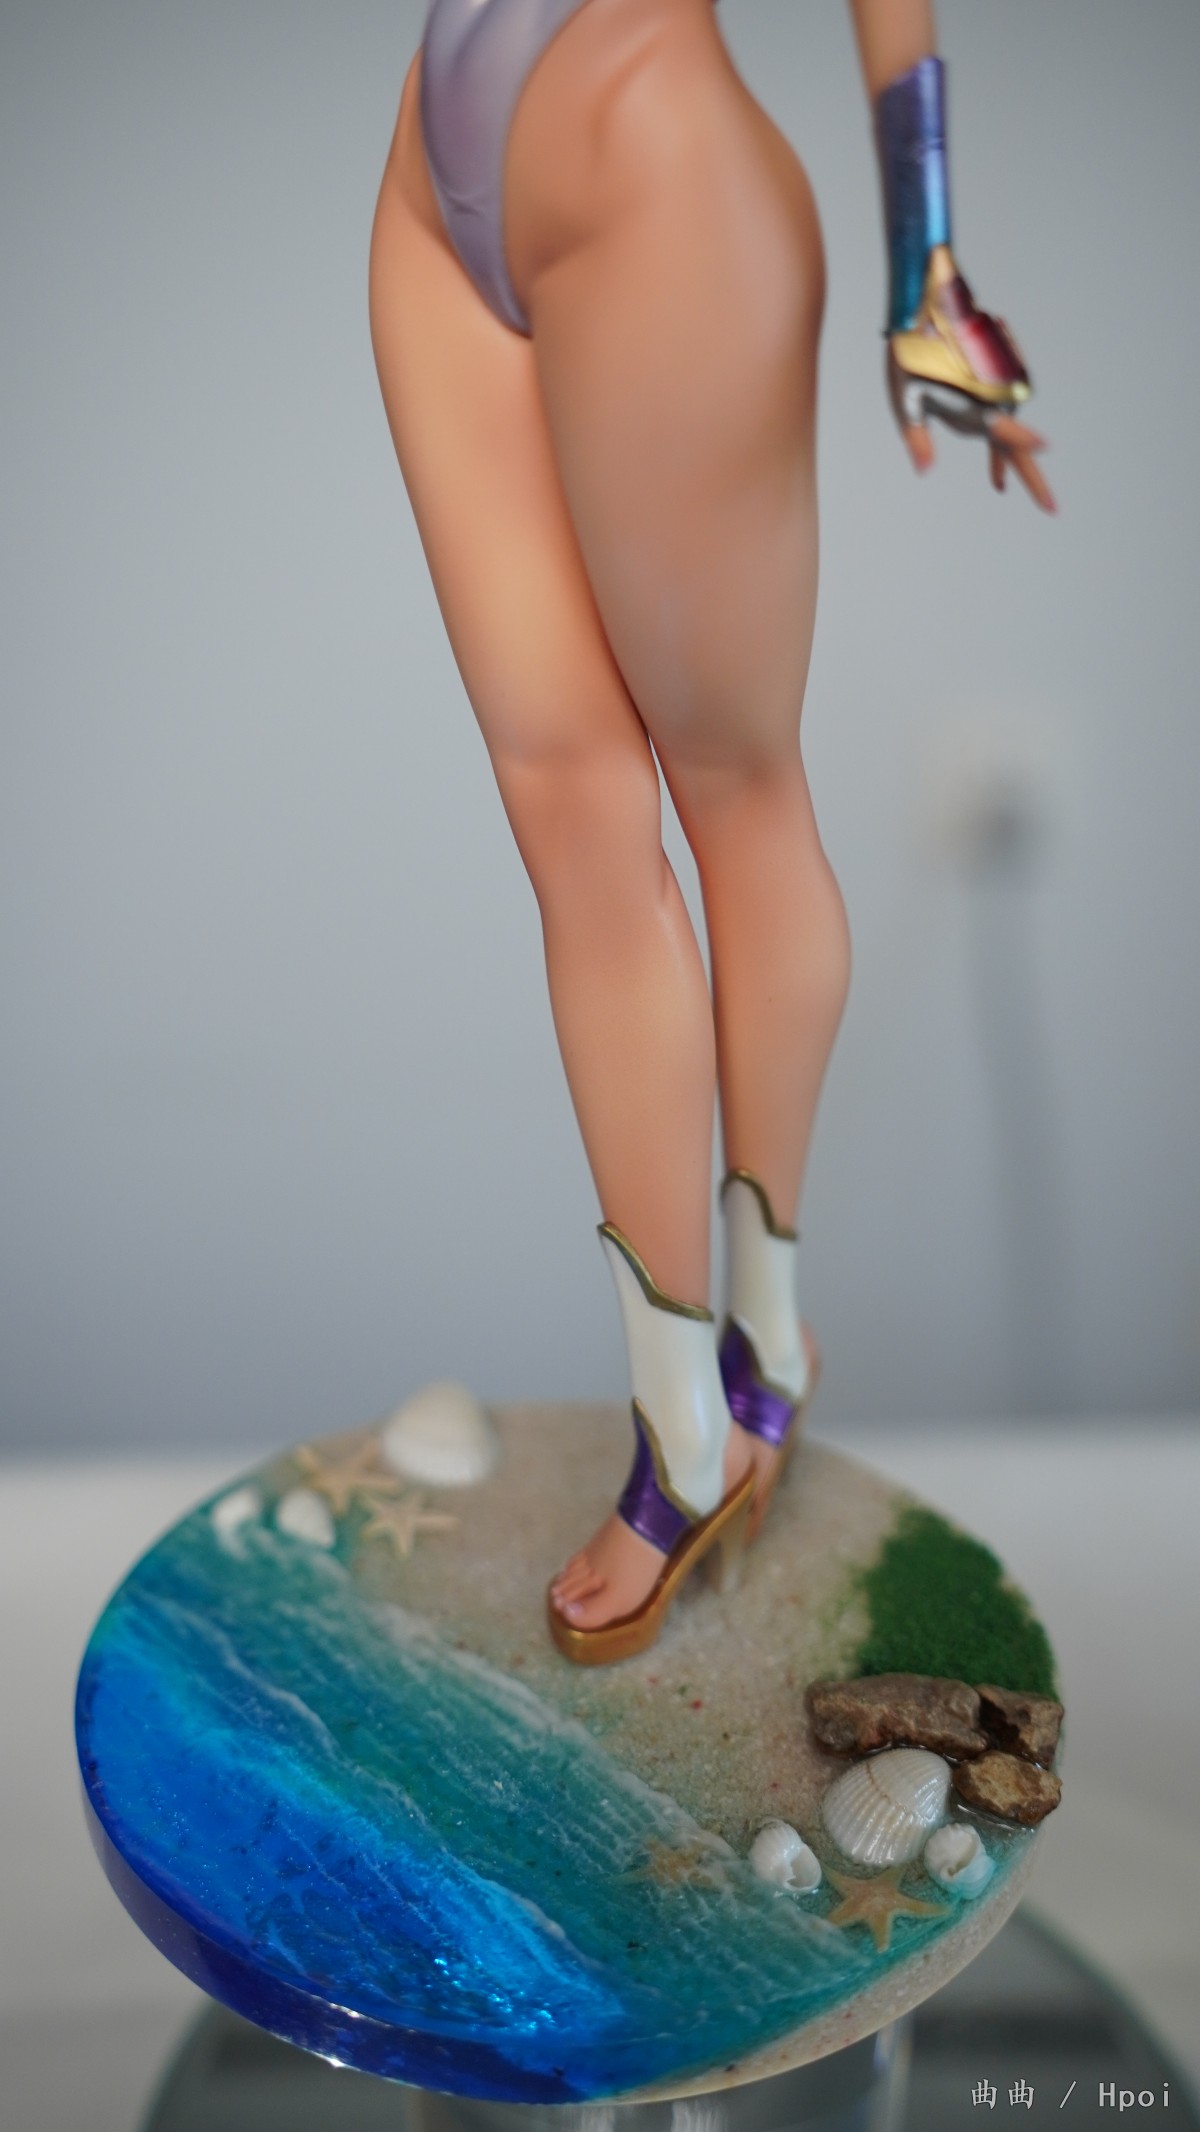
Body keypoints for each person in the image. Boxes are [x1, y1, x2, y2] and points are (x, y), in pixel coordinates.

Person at [367, 0, 1053, 1665]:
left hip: (654, 164)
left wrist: (929, 266)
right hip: (429, 178)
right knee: (565, 800)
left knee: (732, 784)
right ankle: (681, 1426)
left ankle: (769, 1344)